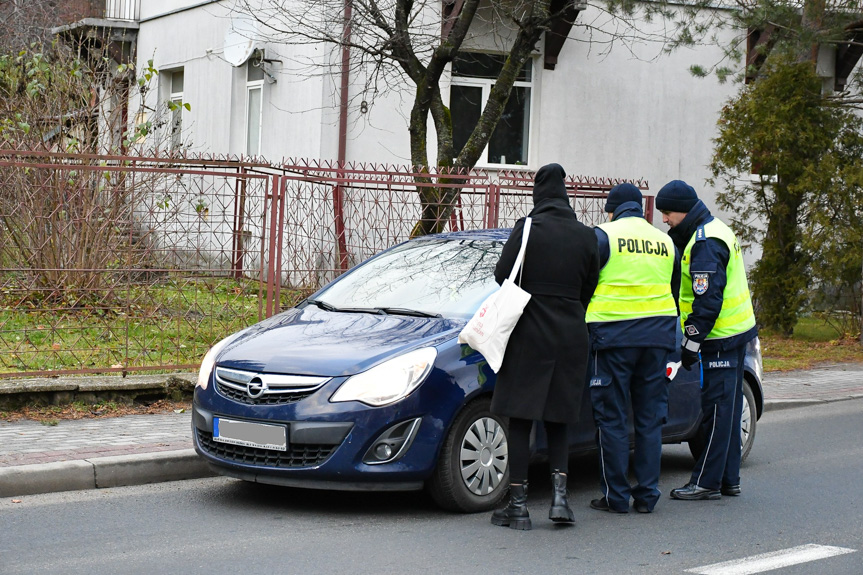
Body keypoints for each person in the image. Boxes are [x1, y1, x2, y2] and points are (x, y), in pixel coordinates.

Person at [490, 162, 599, 530]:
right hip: (570, 335)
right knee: (559, 419)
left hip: (529, 333)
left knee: (519, 418)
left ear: (538, 192)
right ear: (566, 192)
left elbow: (501, 274)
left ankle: (518, 506)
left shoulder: (527, 229)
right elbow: (590, 286)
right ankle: (560, 501)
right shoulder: (586, 236)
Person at [654, 180, 758, 501]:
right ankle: (728, 479)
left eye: (668, 213)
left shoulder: (705, 243)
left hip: (720, 338)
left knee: (715, 412)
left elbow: (707, 299)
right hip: (733, 334)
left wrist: (692, 341)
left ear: (683, 211)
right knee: (725, 409)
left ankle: (706, 482)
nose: (664, 219)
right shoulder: (712, 230)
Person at [585, 183, 680, 514]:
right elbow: (673, 290)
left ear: (612, 209)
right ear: (641, 209)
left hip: (613, 339)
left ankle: (616, 497)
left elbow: (585, 284)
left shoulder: (603, 236)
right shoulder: (665, 242)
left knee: (611, 419)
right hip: (657, 339)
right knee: (650, 418)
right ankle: (647, 496)